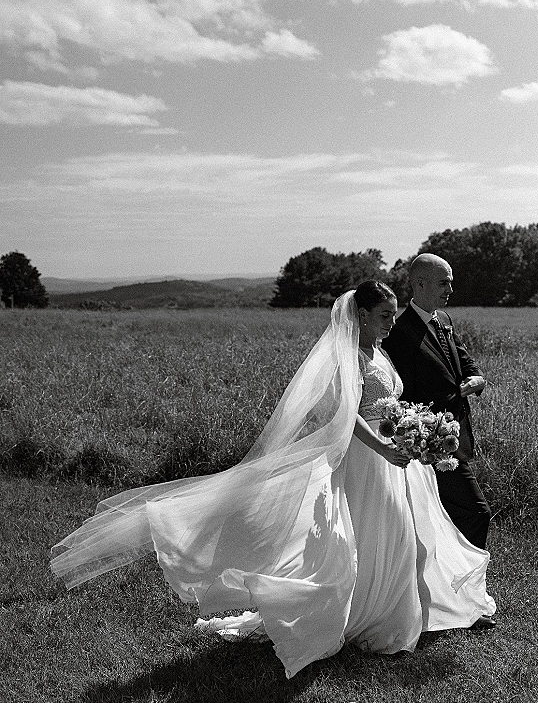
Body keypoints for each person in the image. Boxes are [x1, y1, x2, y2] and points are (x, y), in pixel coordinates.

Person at [51, 281, 495, 679]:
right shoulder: (350, 355)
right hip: (367, 460)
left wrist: (412, 432)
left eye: (393, 314)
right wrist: (383, 447)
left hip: (395, 459)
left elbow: (390, 403)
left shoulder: (380, 351)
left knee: (401, 535)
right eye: (384, 315)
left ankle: (392, 613)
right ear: (360, 315)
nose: (390, 323)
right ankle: (371, 619)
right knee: (378, 535)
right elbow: (348, 415)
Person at [383, 253, 492, 551]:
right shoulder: (399, 333)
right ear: (420, 284)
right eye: (444, 283)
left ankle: (448, 580)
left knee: (445, 517)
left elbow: (465, 361)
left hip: (457, 436)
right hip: (429, 444)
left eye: (450, 283)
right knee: (476, 511)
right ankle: (467, 582)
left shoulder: (444, 320)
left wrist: (477, 379)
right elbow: (400, 394)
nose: (450, 290)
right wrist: (419, 436)